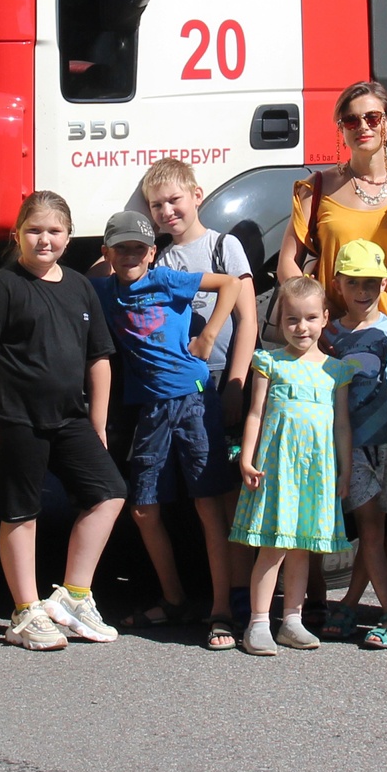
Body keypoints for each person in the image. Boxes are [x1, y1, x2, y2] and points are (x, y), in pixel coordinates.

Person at [0, 194, 129, 652]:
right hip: (16, 419)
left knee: (110, 491)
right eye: (35, 230)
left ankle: (74, 595)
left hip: (71, 417)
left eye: (55, 231)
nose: (45, 239)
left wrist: (98, 421)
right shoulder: (3, 286)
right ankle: (24, 610)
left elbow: (100, 357)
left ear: (69, 238)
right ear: (17, 234)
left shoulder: (79, 286)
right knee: (21, 511)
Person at [92, 203, 243, 648]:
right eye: (121, 250)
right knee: (143, 508)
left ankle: (219, 612)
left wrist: (211, 333)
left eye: (139, 249)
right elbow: (72, 286)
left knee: (207, 506)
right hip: (152, 409)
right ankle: (175, 599)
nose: (131, 257)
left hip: (194, 400)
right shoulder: (105, 291)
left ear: (152, 252)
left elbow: (231, 284)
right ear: (108, 252)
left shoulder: (166, 279)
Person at [140, 158, 256, 649]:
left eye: (174, 199)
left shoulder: (224, 246)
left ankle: (244, 599)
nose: (168, 210)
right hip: (185, 390)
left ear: (197, 194)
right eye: (156, 205)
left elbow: (247, 321)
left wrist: (235, 383)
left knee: (234, 497)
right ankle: (218, 603)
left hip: (224, 383)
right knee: (208, 502)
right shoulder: (162, 262)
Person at [229, 279, 355, 656]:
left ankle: (292, 620)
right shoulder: (271, 363)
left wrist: (345, 470)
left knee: (301, 548)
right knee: (273, 546)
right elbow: (255, 413)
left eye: (310, 318)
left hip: (316, 470)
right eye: (292, 320)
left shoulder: (336, 370)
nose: (302, 327)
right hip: (277, 468)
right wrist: (247, 457)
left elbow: (342, 425)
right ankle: (258, 622)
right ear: (280, 322)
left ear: (325, 318)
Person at [277, 81, 387, 311]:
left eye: (372, 118)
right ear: (342, 129)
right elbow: (287, 262)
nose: (362, 127)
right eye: (351, 120)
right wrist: (313, 313)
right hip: (332, 333)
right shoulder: (317, 188)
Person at [324, 239, 387, 649]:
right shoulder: (329, 334)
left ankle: (352, 603)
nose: (364, 290)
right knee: (371, 528)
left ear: (384, 285)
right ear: (337, 283)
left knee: (380, 528)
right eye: (354, 281)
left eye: (372, 281)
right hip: (351, 445)